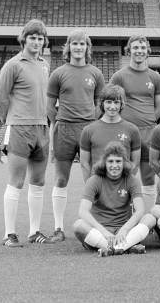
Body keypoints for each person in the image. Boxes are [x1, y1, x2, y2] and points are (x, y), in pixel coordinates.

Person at [0, 19, 52, 247]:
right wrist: (10, 121)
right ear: (24, 39)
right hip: (19, 128)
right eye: (32, 37)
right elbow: (0, 98)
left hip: (42, 128)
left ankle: (34, 231)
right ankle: (9, 234)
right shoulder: (13, 65)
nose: (36, 42)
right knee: (16, 182)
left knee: (38, 182)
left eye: (40, 38)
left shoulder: (45, 64)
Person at [47, 30, 105, 242]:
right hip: (64, 130)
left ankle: (95, 223)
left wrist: (91, 123)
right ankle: (58, 228)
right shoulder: (58, 73)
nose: (78, 47)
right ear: (68, 47)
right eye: (75, 43)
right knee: (61, 178)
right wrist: (60, 121)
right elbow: (49, 105)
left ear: (87, 48)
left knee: (91, 178)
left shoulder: (96, 73)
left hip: (88, 130)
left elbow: (101, 103)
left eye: (82, 44)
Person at [110, 35, 160, 210]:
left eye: (142, 48)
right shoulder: (119, 76)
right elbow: (112, 102)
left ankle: (147, 217)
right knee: (126, 174)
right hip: (125, 133)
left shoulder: (155, 78)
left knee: (148, 177)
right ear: (129, 50)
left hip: (149, 132)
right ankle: (123, 213)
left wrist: (146, 121)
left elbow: (159, 109)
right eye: (135, 48)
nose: (139, 51)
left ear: (147, 50)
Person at [73, 142, 156, 256]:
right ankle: (124, 246)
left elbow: (140, 210)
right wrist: (103, 232)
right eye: (110, 161)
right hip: (100, 231)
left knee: (150, 218)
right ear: (104, 163)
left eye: (118, 161)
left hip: (123, 232)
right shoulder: (94, 180)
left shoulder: (132, 180)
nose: (114, 165)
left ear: (124, 163)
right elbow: (83, 211)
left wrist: (124, 230)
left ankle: (112, 248)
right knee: (78, 225)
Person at [79, 84, 141, 181]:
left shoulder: (132, 130)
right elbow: (84, 163)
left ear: (121, 104)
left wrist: (126, 184)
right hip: (98, 186)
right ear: (102, 103)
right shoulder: (88, 130)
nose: (112, 107)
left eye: (116, 102)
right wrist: (90, 186)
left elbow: (135, 163)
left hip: (123, 187)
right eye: (108, 102)